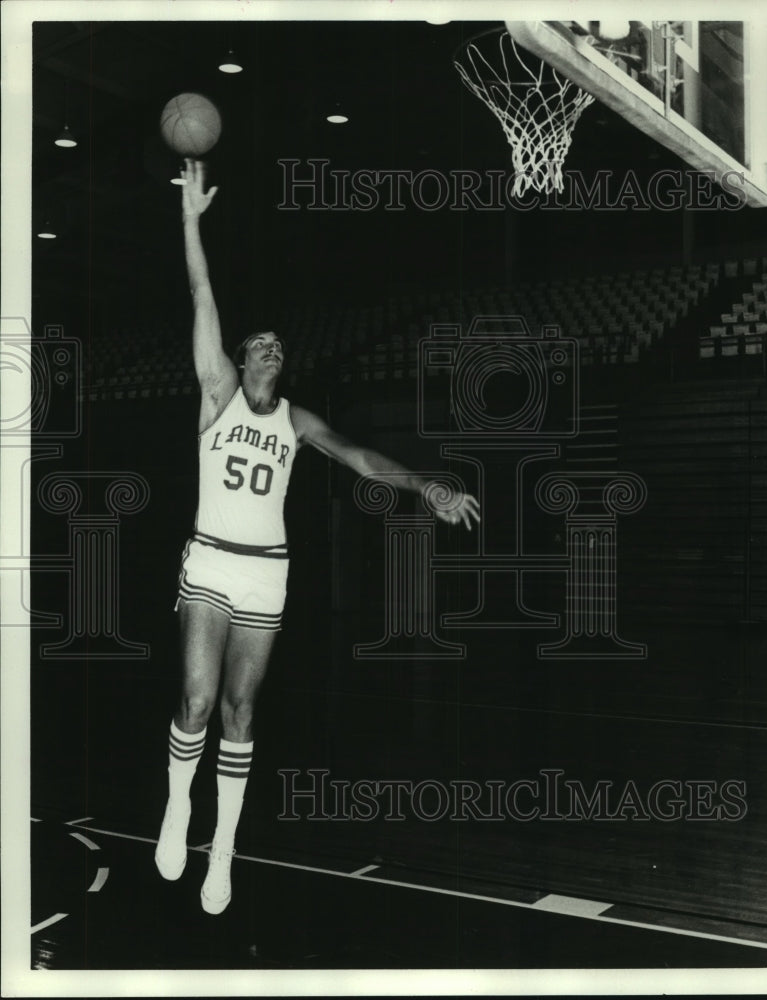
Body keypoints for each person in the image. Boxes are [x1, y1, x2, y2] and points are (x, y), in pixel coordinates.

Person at [155, 159, 480, 914]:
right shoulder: (217, 396)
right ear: (238, 358)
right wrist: (190, 220)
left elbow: (357, 456)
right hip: (208, 564)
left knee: (240, 709)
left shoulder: (295, 421)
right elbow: (202, 294)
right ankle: (179, 808)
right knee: (197, 702)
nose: (269, 349)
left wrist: (424, 483)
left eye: (277, 345)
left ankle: (223, 848)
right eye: (258, 343)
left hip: (267, 572)